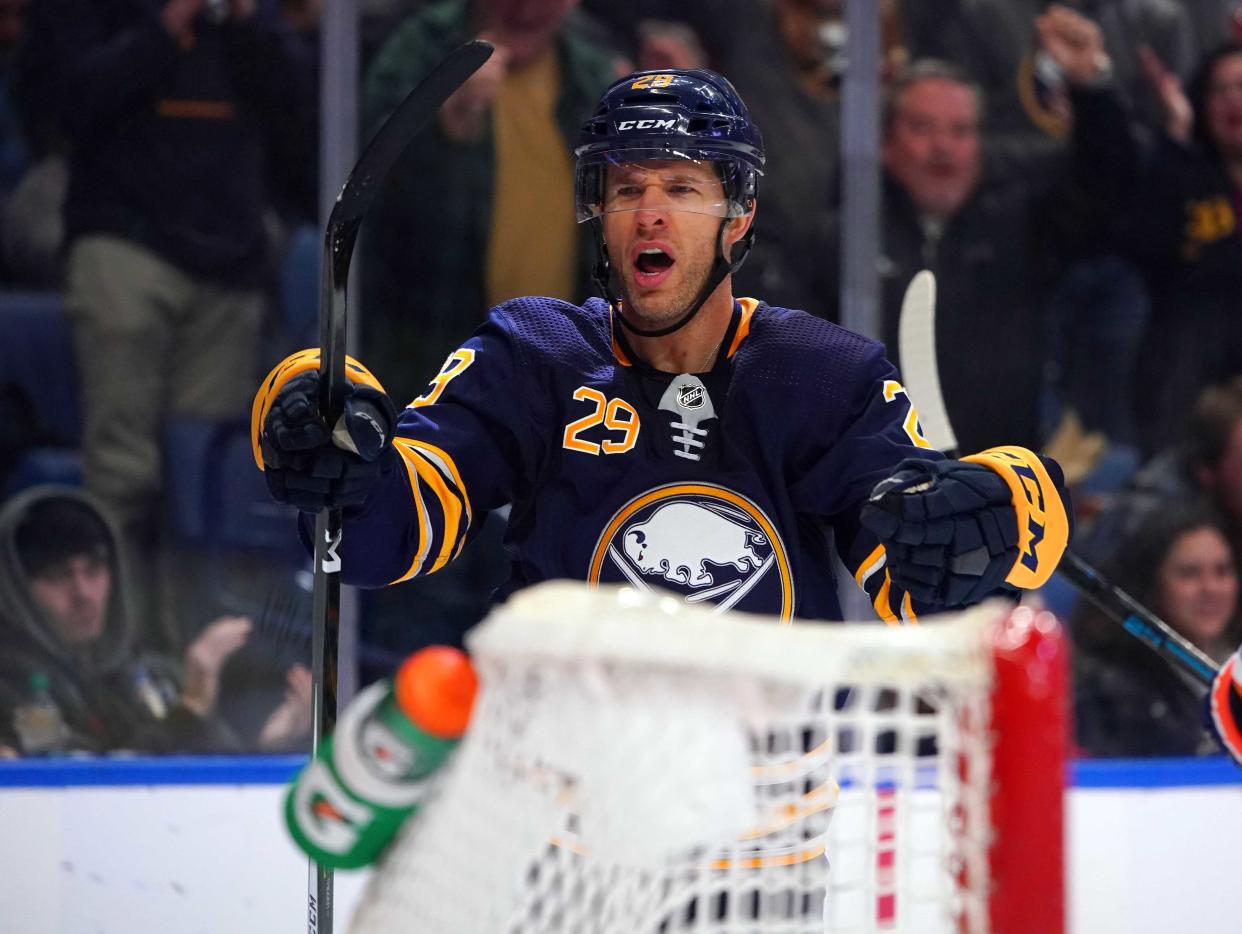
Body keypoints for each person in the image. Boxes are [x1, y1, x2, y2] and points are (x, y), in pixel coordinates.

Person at [251, 67, 1071, 626]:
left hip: (764, 831)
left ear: (738, 216)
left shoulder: (824, 375)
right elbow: (380, 537)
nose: (650, 213)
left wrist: (1000, 515)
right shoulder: (533, 353)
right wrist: (333, 447)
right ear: (600, 216)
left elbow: (919, 584)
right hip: (566, 820)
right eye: (627, 189)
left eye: (683, 189)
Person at [15, 0, 317, 648]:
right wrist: (163, 28)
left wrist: (246, 23)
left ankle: (194, 662)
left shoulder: (248, 18)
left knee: (202, 484)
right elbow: (59, 104)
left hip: (228, 260)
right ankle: (107, 661)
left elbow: (303, 115)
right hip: (123, 243)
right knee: (122, 472)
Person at [821, 8, 1136, 455]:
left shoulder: (1023, 232)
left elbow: (1109, 189)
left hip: (995, 482)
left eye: (961, 131)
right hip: (870, 484)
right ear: (886, 143)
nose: (943, 148)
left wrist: (1091, 87)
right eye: (922, 127)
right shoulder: (841, 241)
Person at [0, 485, 312, 755]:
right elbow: (82, 786)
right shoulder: (10, 692)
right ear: (15, 590)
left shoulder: (146, 675)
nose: (83, 593)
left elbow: (208, 794)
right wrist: (190, 710)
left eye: (94, 570)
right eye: (57, 577)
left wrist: (270, 746)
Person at [1120, 40, 1242, 456]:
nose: (1232, 101)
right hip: (1187, 388)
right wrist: (1174, 134)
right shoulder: (1180, 175)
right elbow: (1142, 243)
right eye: (1218, 90)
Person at [1072, 506, 1242, 757]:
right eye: (1189, 573)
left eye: (1222, 571)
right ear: (1151, 582)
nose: (1211, 589)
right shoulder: (1107, 689)